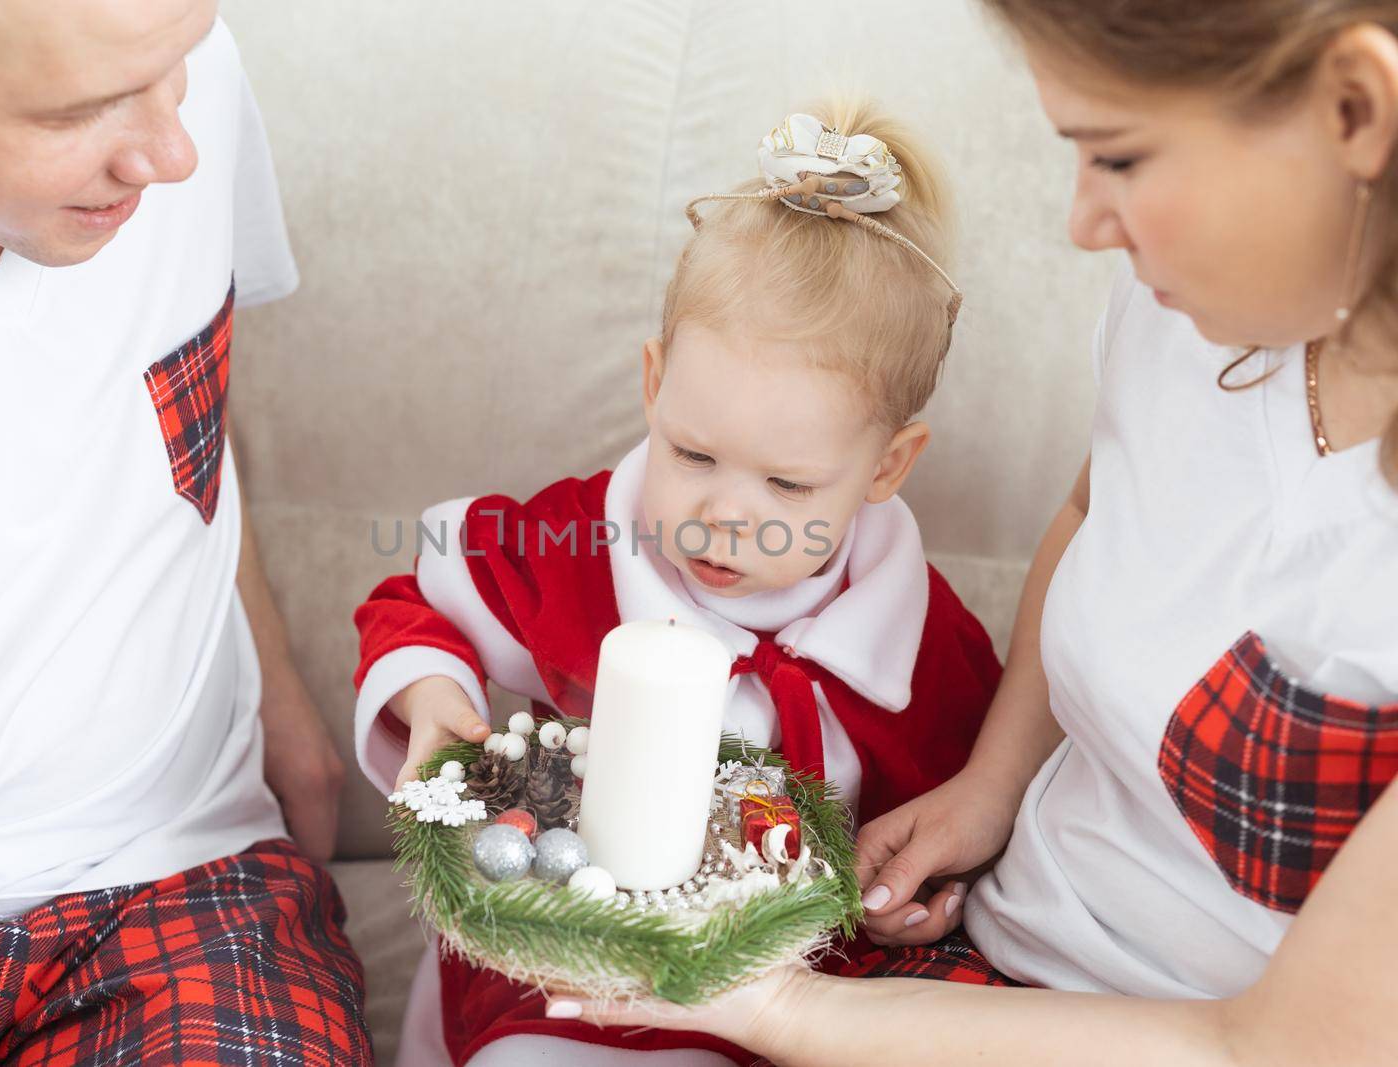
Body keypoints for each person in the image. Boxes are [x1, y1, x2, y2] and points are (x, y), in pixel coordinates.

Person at [550, 3, 1398, 1063]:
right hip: (978, 960)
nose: (1084, 221)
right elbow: (1095, 514)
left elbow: (1282, 1047)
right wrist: (992, 786)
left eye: (1122, 156)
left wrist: (780, 1011)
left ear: (1356, 111)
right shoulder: (1182, 315)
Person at [352, 100, 1002, 1066]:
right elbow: (413, 605)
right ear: (653, 385)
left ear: (887, 467)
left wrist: (903, 908)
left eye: (786, 483)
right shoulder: (582, 545)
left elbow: (941, 834)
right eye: (692, 453)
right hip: (577, 961)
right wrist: (436, 699)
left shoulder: (925, 649)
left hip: (789, 984)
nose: (723, 515)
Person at [0, 1, 371, 1063]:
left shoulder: (157, 69)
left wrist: (277, 673)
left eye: (179, 63)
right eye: (79, 111)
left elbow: (173, 382)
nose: (172, 151)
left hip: (180, 887)